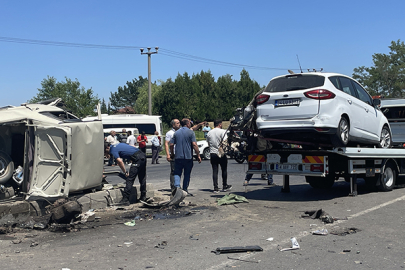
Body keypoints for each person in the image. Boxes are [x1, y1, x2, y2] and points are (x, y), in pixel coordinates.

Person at [170, 118, 201, 195]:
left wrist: (172, 153)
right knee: (187, 174)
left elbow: (171, 144)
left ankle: (177, 188)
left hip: (178, 157)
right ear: (187, 124)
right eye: (190, 123)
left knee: (177, 173)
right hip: (188, 157)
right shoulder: (191, 132)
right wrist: (198, 155)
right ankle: (185, 190)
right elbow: (194, 144)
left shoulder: (176, 133)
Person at [206, 119, 232, 193]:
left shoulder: (209, 132)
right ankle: (224, 186)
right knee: (224, 169)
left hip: (213, 153)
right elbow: (225, 142)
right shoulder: (222, 131)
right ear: (220, 124)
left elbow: (208, 143)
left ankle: (215, 188)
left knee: (215, 170)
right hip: (221, 153)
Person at [165, 119, 180, 193]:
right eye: (177, 123)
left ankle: (178, 186)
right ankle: (173, 187)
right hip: (173, 154)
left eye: (179, 123)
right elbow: (166, 144)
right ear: (173, 125)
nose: (179, 124)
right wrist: (168, 154)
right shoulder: (170, 133)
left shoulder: (180, 132)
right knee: (173, 171)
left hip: (180, 154)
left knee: (179, 170)